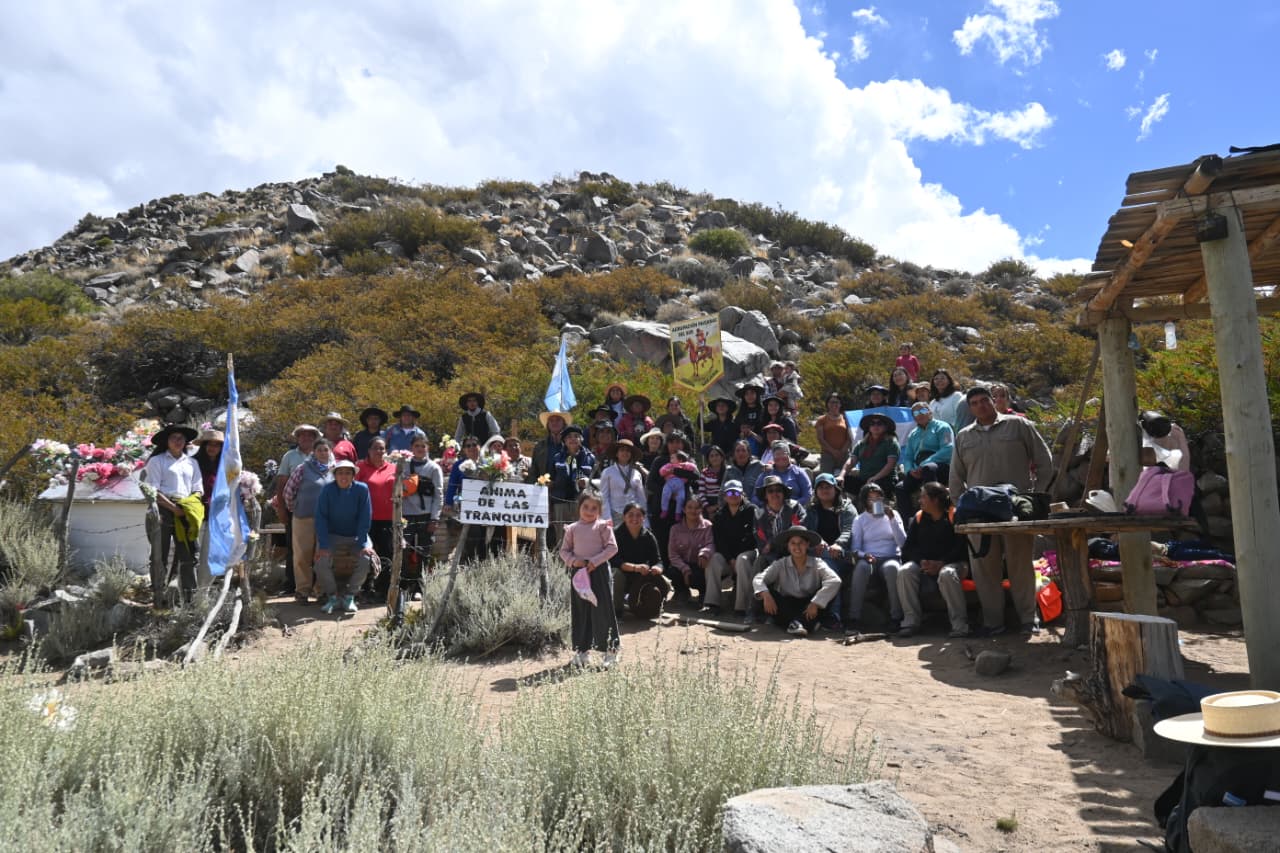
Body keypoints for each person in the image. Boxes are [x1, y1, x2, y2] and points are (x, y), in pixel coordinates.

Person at [949, 385, 1054, 636]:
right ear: (969, 408)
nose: (980, 406)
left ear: (993, 401)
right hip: (979, 513)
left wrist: (1035, 497)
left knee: (1020, 565)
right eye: (974, 403)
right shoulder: (963, 436)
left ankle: (1029, 619)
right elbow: (955, 476)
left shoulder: (1018, 426)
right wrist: (961, 507)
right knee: (985, 568)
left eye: (984, 400)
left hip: (1017, 509)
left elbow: (1045, 461)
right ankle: (993, 623)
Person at [896, 482, 970, 639]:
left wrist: (942, 563)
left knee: (947, 573)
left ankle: (960, 625)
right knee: (904, 571)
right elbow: (908, 548)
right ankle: (911, 621)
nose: (919, 500)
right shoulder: (919, 517)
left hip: (955, 564)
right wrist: (921, 560)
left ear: (935, 500)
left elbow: (961, 547)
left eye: (923, 497)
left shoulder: (954, 516)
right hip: (926, 564)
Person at [142, 424, 203, 604]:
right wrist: (173, 508)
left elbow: (198, 488)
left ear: (185, 442)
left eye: (181, 438)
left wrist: (188, 506)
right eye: (174, 438)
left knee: (189, 553)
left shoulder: (192, 463)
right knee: (159, 552)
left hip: (185, 508)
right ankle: (158, 592)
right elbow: (153, 490)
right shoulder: (157, 461)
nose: (178, 441)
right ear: (167, 442)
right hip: (163, 508)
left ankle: (189, 595)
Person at [559, 491, 620, 668]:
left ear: (600, 511)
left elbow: (612, 548)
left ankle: (611, 651)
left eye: (594, 508)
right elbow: (564, 551)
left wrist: (594, 561)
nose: (589, 511)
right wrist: (574, 561)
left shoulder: (603, 527)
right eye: (586, 507)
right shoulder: (572, 529)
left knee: (603, 610)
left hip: (598, 572)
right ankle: (582, 651)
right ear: (579, 507)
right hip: (579, 574)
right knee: (581, 611)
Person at [735, 474, 807, 623]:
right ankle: (753, 610)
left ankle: (774, 615)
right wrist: (774, 546)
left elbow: (798, 532)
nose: (775, 494)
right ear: (765, 495)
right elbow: (762, 543)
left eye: (778, 490)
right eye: (770, 491)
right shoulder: (759, 513)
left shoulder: (795, 508)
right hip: (770, 555)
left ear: (783, 493)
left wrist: (774, 542)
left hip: (795, 552)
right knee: (761, 563)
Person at [752, 526, 841, 636]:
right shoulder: (781, 563)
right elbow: (759, 579)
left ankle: (794, 624)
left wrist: (816, 603)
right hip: (787, 606)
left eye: (801, 543)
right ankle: (803, 623)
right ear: (788, 547)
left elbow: (835, 580)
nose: (797, 547)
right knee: (767, 593)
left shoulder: (817, 563)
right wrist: (765, 594)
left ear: (808, 544)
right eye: (793, 543)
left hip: (809, 606)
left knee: (831, 591)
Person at [313, 459, 375, 615]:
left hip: (356, 535)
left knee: (366, 559)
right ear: (335, 475)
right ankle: (333, 596)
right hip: (332, 535)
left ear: (353, 475)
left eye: (348, 473)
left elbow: (364, 518)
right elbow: (321, 518)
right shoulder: (327, 490)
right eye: (340, 472)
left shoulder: (362, 489)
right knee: (321, 561)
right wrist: (324, 545)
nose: (344, 476)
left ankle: (350, 596)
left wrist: (362, 544)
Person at [847, 482, 906, 632]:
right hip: (870, 558)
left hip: (891, 557)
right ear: (864, 501)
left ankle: (896, 617)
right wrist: (864, 555)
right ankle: (854, 618)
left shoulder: (894, 515)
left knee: (893, 568)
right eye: (870, 499)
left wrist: (892, 519)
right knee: (861, 568)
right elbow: (855, 548)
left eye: (878, 498)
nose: (875, 502)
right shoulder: (860, 520)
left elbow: (903, 542)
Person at [282, 438, 334, 604]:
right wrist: (295, 507)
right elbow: (288, 491)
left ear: (330, 452)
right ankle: (302, 591)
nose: (323, 453)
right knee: (302, 555)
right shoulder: (303, 468)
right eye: (320, 450)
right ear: (314, 452)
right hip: (303, 518)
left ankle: (321, 591)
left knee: (323, 556)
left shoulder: (335, 470)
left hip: (326, 520)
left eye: (326, 450)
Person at [271, 423, 320, 595]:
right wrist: (282, 509)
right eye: (302, 435)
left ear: (315, 438)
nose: (306, 438)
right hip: (295, 509)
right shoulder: (289, 456)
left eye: (310, 435)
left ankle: (315, 586)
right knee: (295, 547)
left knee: (317, 548)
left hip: (319, 511)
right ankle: (292, 585)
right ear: (297, 438)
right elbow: (281, 483)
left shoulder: (322, 455)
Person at [804, 472, 855, 629]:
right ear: (816, 491)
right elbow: (808, 531)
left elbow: (849, 530)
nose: (825, 490)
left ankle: (833, 615)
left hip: (842, 555)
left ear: (836, 489)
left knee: (828, 564)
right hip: (817, 552)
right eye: (821, 487)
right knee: (826, 562)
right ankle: (832, 616)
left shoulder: (847, 508)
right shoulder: (811, 510)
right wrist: (817, 541)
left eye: (828, 487)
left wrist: (838, 544)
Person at [702, 479, 759, 616]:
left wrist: (735, 558)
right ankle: (712, 603)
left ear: (742, 493)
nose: (733, 495)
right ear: (724, 496)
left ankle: (742, 607)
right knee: (714, 559)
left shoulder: (752, 510)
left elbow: (752, 537)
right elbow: (719, 541)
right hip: (729, 558)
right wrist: (730, 559)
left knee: (742, 559)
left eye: (736, 492)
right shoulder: (720, 515)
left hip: (747, 554)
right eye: (730, 492)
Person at [609, 502, 669, 618]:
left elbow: (658, 560)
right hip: (622, 574)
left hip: (641, 576)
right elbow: (613, 560)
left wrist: (657, 568)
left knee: (666, 584)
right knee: (616, 575)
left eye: (638, 515)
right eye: (630, 515)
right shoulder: (615, 534)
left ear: (643, 518)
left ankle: (650, 608)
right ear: (624, 517)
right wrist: (634, 568)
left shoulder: (649, 536)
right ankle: (616, 610)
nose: (635, 518)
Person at [402, 434, 443, 600]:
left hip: (426, 516)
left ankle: (420, 587)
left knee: (424, 553)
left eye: (423, 446)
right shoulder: (403, 465)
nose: (420, 449)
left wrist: (435, 518)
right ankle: (403, 585)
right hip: (406, 515)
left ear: (428, 448)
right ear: (412, 448)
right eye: (417, 446)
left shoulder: (434, 468)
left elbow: (438, 495)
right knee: (404, 550)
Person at [356, 437, 396, 601]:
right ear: (369, 450)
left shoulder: (393, 468)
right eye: (376, 448)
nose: (379, 451)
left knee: (387, 554)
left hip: (388, 518)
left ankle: (383, 589)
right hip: (366, 519)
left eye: (382, 449)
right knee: (366, 555)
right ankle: (366, 588)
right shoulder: (360, 467)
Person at [896, 403, 954, 512]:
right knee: (900, 487)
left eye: (922, 411)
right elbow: (908, 457)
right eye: (916, 413)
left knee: (928, 468)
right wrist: (911, 470)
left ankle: (933, 510)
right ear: (913, 417)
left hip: (940, 467)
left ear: (930, 412)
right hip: (919, 469)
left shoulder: (943, 427)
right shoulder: (913, 434)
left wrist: (923, 465)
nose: (920, 415)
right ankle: (908, 521)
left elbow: (948, 449)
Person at [666, 494, 714, 607]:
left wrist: (705, 554)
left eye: (697, 507)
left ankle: (703, 593)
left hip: (699, 564)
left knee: (701, 574)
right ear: (683, 509)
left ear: (701, 509)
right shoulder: (675, 529)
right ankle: (682, 591)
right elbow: (672, 554)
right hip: (682, 565)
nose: (693, 510)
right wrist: (684, 569)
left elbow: (710, 544)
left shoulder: (708, 526)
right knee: (672, 571)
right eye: (689, 507)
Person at [550, 425, 595, 534]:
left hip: (582, 503)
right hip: (560, 502)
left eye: (576, 436)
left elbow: (597, 480)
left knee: (582, 536)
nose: (573, 439)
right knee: (562, 537)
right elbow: (550, 477)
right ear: (564, 441)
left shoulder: (590, 457)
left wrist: (586, 482)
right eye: (569, 437)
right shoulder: (557, 458)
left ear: (581, 439)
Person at [843, 413, 899, 497]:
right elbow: (851, 461)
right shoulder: (861, 444)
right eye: (872, 423)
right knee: (839, 482)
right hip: (864, 480)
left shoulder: (891, 443)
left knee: (871, 488)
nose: (875, 426)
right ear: (869, 427)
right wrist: (841, 476)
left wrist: (875, 478)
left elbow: (890, 465)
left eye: (879, 423)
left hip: (884, 480)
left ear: (886, 427)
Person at [599, 439, 644, 527]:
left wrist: (643, 519)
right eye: (622, 450)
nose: (625, 453)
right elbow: (604, 497)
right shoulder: (607, 472)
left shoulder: (637, 473)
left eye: (628, 451)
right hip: (615, 514)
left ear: (631, 455)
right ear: (616, 453)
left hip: (633, 516)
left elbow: (641, 498)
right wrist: (607, 518)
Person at [815, 393, 853, 476]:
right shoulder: (821, 419)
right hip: (827, 454)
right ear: (827, 404)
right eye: (831, 402)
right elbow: (820, 439)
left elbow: (850, 437)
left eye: (837, 402)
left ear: (840, 404)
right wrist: (833, 452)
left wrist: (842, 451)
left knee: (844, 478)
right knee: (826, 477)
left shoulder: (846, 418)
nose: (834, 404)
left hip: (844, 454)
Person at [527, 410, 570, 484]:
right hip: (542, 490)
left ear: (564, 424)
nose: (554, 423)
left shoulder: (570, 445)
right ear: (548, 424)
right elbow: (534, 471)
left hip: (565, 492)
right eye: (551, 420)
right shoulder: (540, 446)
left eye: (558, 420)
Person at [765, 441, 812, 507]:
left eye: (784, 453)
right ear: (773, 457)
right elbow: (755, 496)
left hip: (795, 511)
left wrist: (792, 506)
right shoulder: (767, 471)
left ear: (789, 456)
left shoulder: (799, 472)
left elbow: (807, 495)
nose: (781, 456)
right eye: (777, 454)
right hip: (771, 511)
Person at [658, 453, 700, 520]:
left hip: (680, 486)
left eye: (673, 458)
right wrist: (668, 471)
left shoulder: (684, 465)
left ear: (680, 459)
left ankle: (678, 513)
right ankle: (664, 510)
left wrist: (685, 463)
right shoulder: (669, 465)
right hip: (669, 484)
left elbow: (693, 467)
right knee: (665, 494)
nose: (670, 459)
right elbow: (661, 471)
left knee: (681, 498)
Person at [727, 439, 766, 507]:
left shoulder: (759, 466)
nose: (740, 453)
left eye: (743, 450)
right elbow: (723, 492)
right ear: (734, 454)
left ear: (749, 453)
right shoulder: (729, 470)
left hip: (757, 509)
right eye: (738, 451)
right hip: (735, 509)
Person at [193, 428, 224, 508]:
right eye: (210, 444)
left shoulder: (224, 465)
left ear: (221, 448)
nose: (212, 448)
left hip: (220, 505)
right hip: (198, 505)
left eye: (216, 445)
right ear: (204, 446)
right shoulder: (193, 462)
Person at [699, 445, 727, 510]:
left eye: (717, 455)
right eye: (711, 456)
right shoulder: (704, 472)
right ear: (708, 459)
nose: (714, 458)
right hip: (708, 503)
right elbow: (701, 492)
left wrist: (718, 506)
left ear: (722, 457)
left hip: (726, 504)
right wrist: (707, 507)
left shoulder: (728, 471)